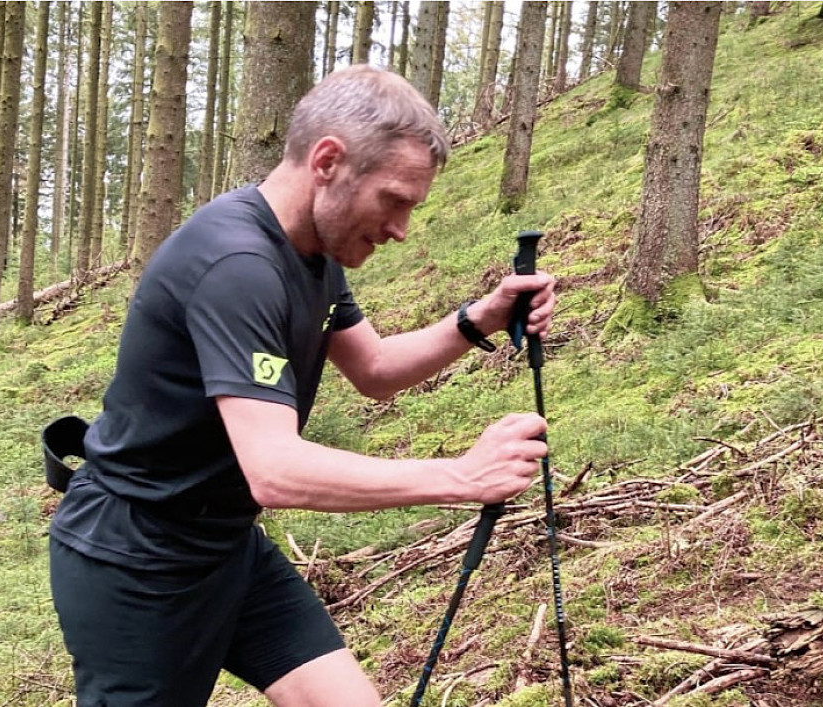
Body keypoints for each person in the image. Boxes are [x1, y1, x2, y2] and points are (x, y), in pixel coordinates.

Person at [48, 64, 556, 707]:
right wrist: (462, 476)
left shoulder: (310, 251)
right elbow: (276, 471)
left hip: (226, 545)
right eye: (394, 200)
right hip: (137, 562)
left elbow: (375, 369)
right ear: (328, 161)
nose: (400, 229)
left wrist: (480, 318)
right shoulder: (236, 263)